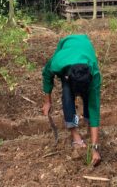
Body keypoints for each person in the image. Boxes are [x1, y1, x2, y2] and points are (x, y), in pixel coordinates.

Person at [42, 34, 101, 165]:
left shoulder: (94, 75)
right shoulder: (57, 63)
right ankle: (74, 135)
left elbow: (94, 108)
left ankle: (88, 126)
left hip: (84, 47)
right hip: (67, 50)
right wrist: (47, 101)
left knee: (89, 99)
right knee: (67, 96)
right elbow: (46, 75)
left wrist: (95, 147)